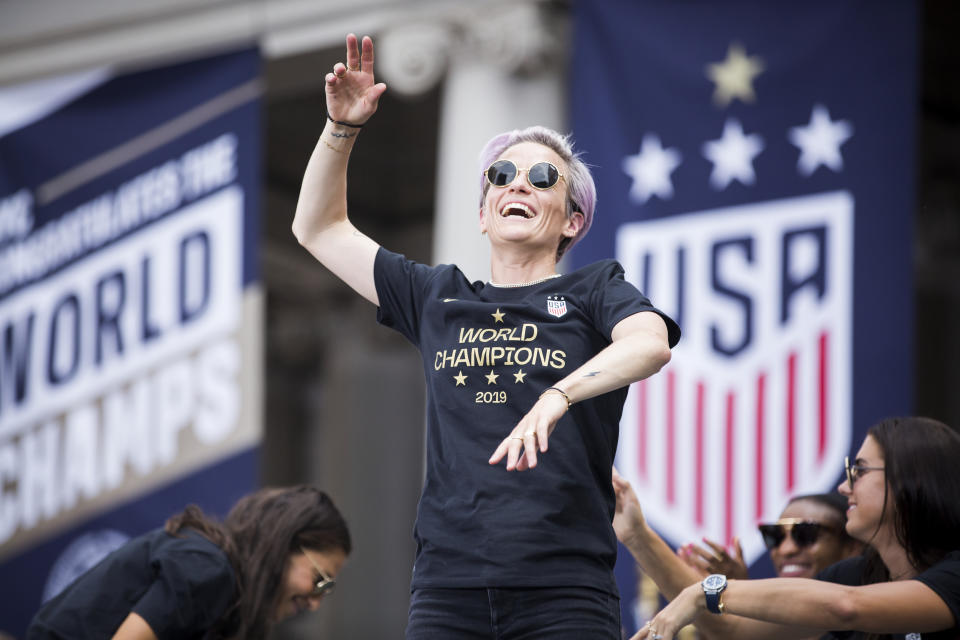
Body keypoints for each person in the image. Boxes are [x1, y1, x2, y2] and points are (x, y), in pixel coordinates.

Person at [292, 33, 680, 639]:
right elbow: (317, 228)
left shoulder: (593, 289)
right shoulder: (437, 295)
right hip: (448, 588)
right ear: (482, 213)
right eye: (501, 175)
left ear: (572, 220)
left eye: (542, 177)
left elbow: (650, 343)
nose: (516, 184)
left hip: (565, 589)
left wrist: (557, 396)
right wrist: (341, 129)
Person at [615, 416, 960, 640]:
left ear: (910, 482)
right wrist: (637, 534)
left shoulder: (953, 574)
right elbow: (729, 626)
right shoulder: (858, 573)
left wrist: (704, 591)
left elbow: (846, 606)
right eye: (776, 536)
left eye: (860, 471)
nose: (844, 486)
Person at [27, 485, 351, 639]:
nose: (315, 604)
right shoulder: (209, 571)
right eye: (321, 580)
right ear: (286, 544)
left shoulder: (218, 582)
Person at [678, 492, 862, 582]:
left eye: (806, 534)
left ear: (853, 547)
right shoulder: (772, 626)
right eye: (775, 535)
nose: (786, 549)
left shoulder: (878, 624)